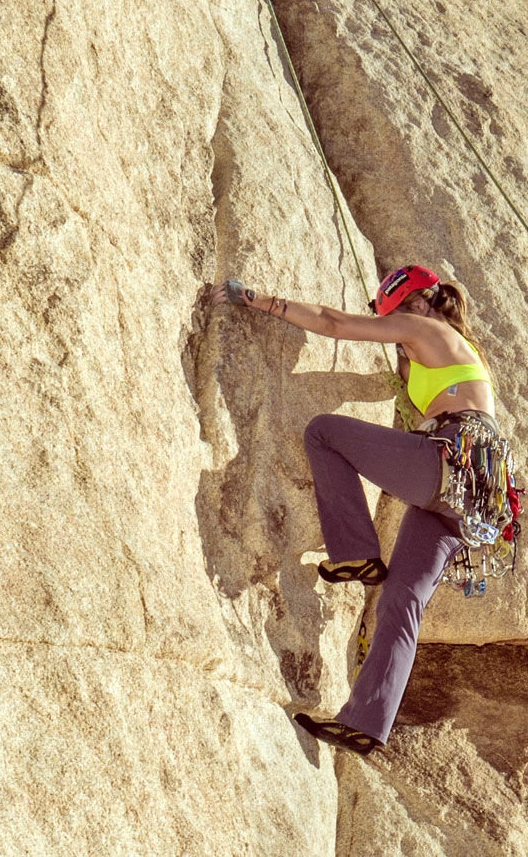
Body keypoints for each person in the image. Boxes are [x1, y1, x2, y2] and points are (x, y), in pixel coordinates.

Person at [210, 264, 495, 756]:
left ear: (423, 303)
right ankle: (367, 723)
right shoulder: (449, 353)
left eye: (401, 313)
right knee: (402, 598)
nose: (399, 330)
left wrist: (256, 299)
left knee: (323, 432)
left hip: (450, 459)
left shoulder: (425, 326)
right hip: (474, 494)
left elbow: (335, 323)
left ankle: (354, 553)